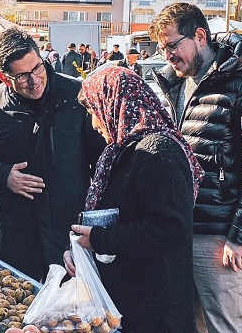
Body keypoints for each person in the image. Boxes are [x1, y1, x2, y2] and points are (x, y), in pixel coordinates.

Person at [149, 2, 242, 333]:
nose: (167, 55)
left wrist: (241, 236)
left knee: (224, 326)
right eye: (162, 48)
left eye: (171, 45)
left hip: (220, 236)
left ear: (199, 36)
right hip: (181, 228)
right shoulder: (175, 85)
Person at [63, 66, 204, 333]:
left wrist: (101, 239)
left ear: (115, 103)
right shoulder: (123, 149)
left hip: (157, 307)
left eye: (94, 111)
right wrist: (83, 247)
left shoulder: (157, 152)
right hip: (132, 299)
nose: (94, 123)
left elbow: (170, 228)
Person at [0, 27, 104, 282]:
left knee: (71, 311)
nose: (35, 80)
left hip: (68, 226)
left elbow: (102, 157)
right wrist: (3, 175)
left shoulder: (76, 94)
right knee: (20, 303)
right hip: (16, 229)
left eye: (37, 68)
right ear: (5, 78)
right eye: (23, 76)